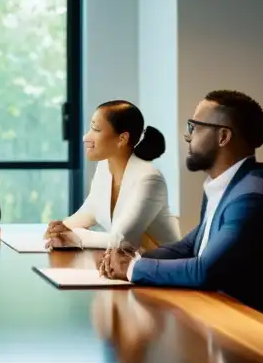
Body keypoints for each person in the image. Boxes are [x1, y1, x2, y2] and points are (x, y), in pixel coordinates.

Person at [98, 90, 263, 328]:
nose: (187, 136)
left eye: (194, 127)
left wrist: (132, 267)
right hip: (234, 320)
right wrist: (130, 257)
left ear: (223, 136)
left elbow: (205, 270)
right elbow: (190, 247)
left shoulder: (251, 198)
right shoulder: (226, 186)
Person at [45, 100, 180, 251]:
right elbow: (90, 211)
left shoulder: (149, 179)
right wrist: (61, 228)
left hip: (165, 269)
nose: (85, 137)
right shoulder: (104, 167)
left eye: (96, 129)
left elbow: (123, 240)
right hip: (129, 266)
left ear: (122, 139)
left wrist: (76, 237)